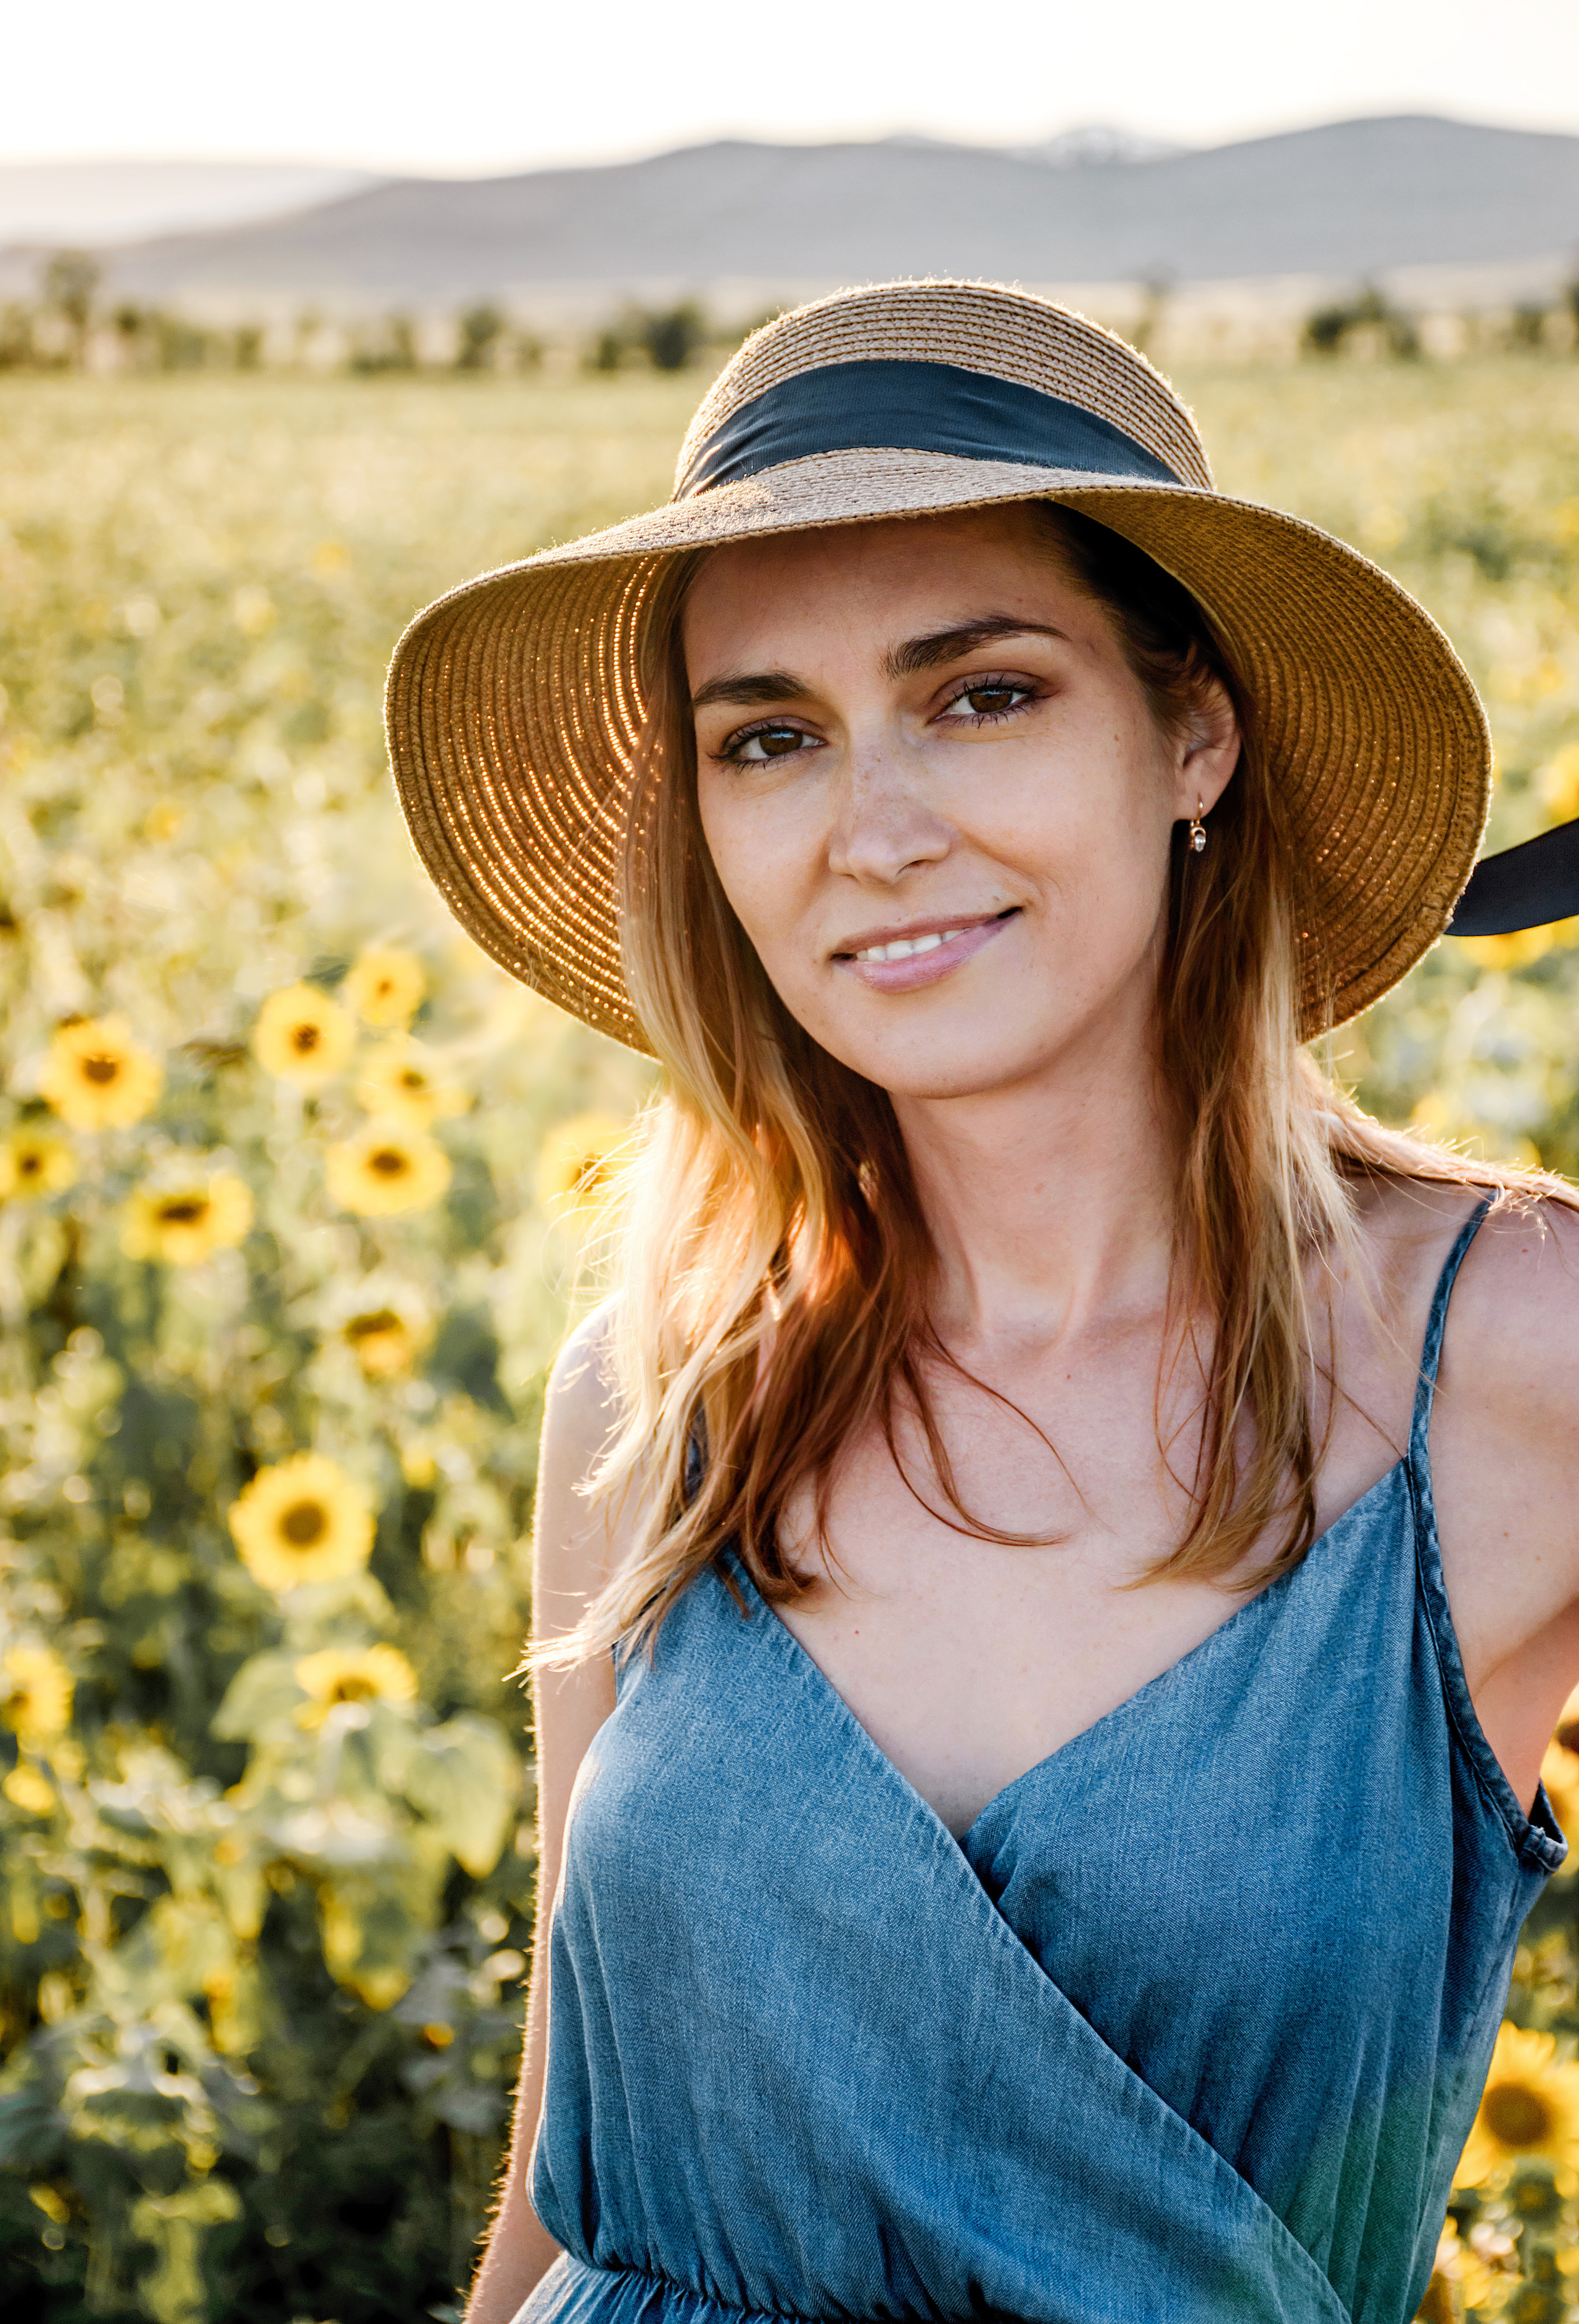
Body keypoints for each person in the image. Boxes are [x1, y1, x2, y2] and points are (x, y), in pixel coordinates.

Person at [385, 282, 1579, 2324]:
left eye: (983, 696)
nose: (876, 837)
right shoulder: (658, 1391)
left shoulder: (1514, 1351)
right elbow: (565, 2206)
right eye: (771, 739)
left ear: (1194, 735)